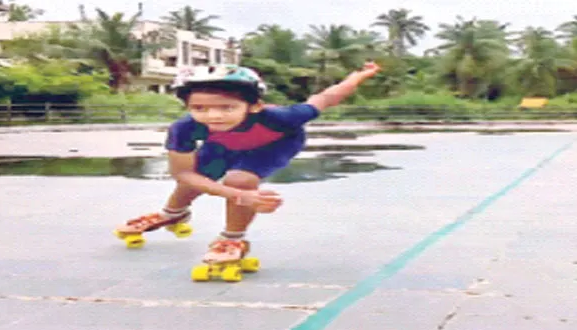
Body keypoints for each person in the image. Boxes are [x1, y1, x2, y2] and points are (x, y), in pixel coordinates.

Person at [115, 61, 381, 263]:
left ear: (254, 106)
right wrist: (240, 197)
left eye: (226, 107)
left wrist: (358, 75)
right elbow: (183, 174)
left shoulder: (283, 117)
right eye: (200, 108)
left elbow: (325, 98)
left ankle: (232, 239)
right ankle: (172, 214)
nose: (213, 116)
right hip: (222, 147)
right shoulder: (185, 128)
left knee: (241, 180)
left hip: (274, 144)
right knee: (196, 175)